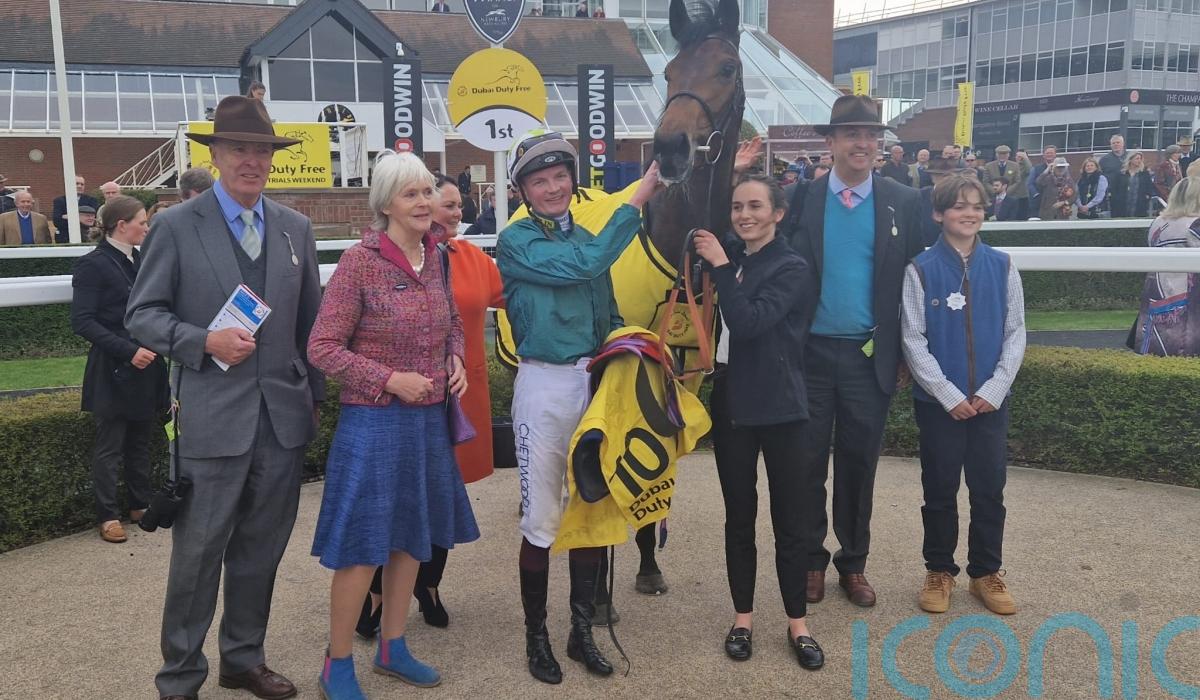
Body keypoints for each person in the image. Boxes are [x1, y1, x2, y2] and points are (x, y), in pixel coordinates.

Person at [125, 96, 325, 700]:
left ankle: (242, 659)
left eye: (262, 150)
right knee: (197, 556)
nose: (252, 160)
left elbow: (310, 327)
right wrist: (201, 340)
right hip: (212, 419)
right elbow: (142, 315)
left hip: (281, 422)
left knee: (261, 551)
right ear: (215, 155)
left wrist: (313, 401)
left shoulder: (294, 227)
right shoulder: (176, 226)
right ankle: (180, 676)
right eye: (239, 148)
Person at [306, 151, 479, 697]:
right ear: (385, 204)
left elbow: (453, 321)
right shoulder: (359, 263)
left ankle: (393, 646)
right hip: (374, 423)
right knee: (364, 545)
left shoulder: (438, 257)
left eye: (427, 191)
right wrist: (389, 379)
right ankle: (337, 664)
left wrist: (455, 358)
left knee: (411, 538)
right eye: (411, 194)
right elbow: (321, 347)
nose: (425, 202)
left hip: (427, 421)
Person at [496, 129, 660, 685]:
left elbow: (606, 311)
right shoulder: (516, 240)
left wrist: (632, 351)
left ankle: (580, 631)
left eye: (560, 176)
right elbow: (585, 266)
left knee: (590, 510)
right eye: (539, 181)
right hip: (543, 387)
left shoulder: (587, 238)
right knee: (543, 518)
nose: (552, 188)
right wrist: (639, 198)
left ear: (573, 179)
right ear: (522, 191)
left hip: (592, 385)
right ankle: (536, 637)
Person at [783, 95, 924, 609]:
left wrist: (909, 350)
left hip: (870, 357)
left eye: (871, 135)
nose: (863, 144)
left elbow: (919, 279)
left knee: (859, 465)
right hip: (809, 356)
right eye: (852, 135)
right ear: (831, 142)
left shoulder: (904, 201)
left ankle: (853, 563)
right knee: (805, 465)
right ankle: (810, 562)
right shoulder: (799, 198)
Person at [352, 174, 503, 639]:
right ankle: (377, 592)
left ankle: (429, 585)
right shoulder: (382, 260)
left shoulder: (471, 259)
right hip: (401, 401)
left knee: (443, 500)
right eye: (446, 204)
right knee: (397, 500)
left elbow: (515, 297)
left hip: (460, 398)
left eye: (458, 205)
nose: (456, 212)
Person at [692, 173, 823, 669]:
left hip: (782, 405)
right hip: (733, 401)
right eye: (737, 206)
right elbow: (702, 218)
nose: (744, 215)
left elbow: (748, 323)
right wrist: (727, 167)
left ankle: (798, 623)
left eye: (755, 206)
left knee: (790, 520)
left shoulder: (792, 266)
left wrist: (723, 267)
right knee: (739, 516)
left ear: (778, 214)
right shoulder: (734, 253)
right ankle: (742, 618)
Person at [900, 172, 1026, 616]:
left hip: (991, 402)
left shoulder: (1003, 266)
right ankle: (939, 570)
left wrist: (995, 388)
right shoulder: (920, 269)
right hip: (940, 406)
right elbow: (913, 338)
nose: (969, 213)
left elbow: (1015, 332)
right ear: (939, 213)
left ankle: (986, 571)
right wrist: (947, 394)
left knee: (989, 488)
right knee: (939, 488)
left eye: (977, 206)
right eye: (959, 206)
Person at [70, 195, 168, 545]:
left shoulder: (140, 259)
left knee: (140, 441)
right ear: (122, 225)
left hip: (147, 363)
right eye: (142, 222)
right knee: (110, 446)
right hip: (112, 367)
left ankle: (140, 504)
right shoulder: (92, 265)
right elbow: (82, 321)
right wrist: (129, 351)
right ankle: (108, 515)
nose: (147, 227)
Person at [1131, 177, 1200, 356]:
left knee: (1157, 348)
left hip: (1156, 291)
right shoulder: (1195, 224)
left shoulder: (1157, 223)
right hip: (1188, 297)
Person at [52, 175, 100, 241]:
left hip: (86, 237)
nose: (79, 186)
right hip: (65, 237)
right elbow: (57, 222)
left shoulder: (92, 201)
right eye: (76, 184)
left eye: (82, 184)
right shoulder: (59, 201)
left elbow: (93, 220)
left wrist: (69, 217)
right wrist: (82, 218)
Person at [1099, 135, 1131, 217]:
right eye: (1113, 143)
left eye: (1118, 142)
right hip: (1111, 195)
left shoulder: (1130, 158)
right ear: (1110, 145)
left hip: (1129, 194)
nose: (1116, 144)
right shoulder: (1104, 160)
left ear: (1123, 144)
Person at [1026, 145, 1058, 217]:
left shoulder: (1061, 167)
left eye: (1051, 153)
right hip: (1039, 202)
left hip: (1055, 201)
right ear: (1043, 155)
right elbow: (1030, 184)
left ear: (1055, 154)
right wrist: (1036, 194)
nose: (1049, 155)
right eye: (1047, 153)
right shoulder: (1036, 168)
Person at [1121, 152, 1154, 218]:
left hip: (1139, 202)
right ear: (1130, 160)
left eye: (1140, 159)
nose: (1139, 160)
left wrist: (1147, 196)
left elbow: (1149, 187)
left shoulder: (1144, 173)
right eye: (1137, 158)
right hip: (1124, 202)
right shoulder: (1122, 173)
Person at [1006, 149, 1033, 220]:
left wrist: (1025, 158)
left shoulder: (1025, 167)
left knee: (1022, 216)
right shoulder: (1012, 166)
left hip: (1022, 195)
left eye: (1021, 156)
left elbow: (1029, 170)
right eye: (1017, 156)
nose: (1018, 158)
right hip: (1011, 194)